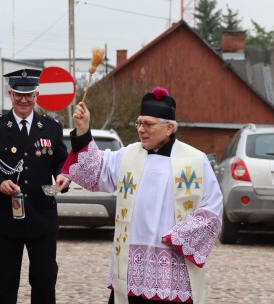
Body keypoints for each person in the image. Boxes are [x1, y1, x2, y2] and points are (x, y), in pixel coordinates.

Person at [61, 87, 223, 304]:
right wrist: (82, 131)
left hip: (172, 264)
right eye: (139, 123)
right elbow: (95, 168)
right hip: (130, 265)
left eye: (148, 124)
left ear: (169, 128)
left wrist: (180, 236)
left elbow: (213, 207)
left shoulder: (194, 160)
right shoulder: (128, 155)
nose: (141, 130)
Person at [0, 68, 71, 304]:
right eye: (18, 95)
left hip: (41, 217)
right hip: (5, 219)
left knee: (45, 281)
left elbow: (61, 163)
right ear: (10, 94)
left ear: (36, 95)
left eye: (29, 95)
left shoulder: (52, 127)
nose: (23, 100)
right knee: (5, 285)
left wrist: (62, 178)